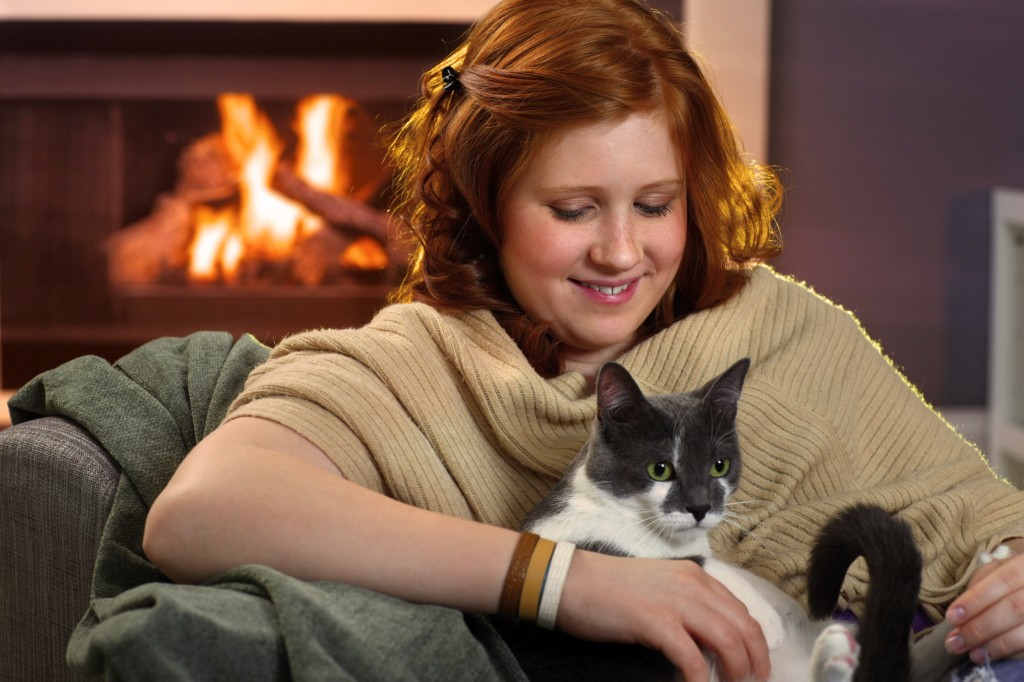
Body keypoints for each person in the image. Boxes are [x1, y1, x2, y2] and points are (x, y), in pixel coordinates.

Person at [142, 0, 1024, 680]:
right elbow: (199, 515)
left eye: (655, 205)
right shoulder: (418, 363)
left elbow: (969, 514)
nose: (620, 252)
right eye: (573, 211)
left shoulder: (775, 322)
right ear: (488, 206)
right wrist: (569, 582)